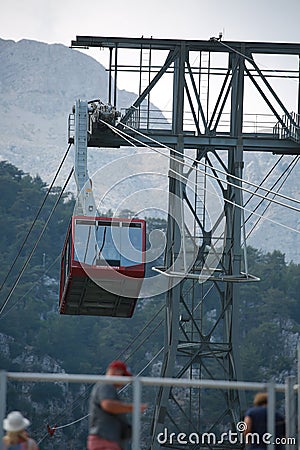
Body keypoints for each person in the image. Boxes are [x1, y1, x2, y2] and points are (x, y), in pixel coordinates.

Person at [87, 360, 147, 450]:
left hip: (108, 440)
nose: (124, 381)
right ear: (114, 371)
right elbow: (108, 405)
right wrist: (132, 407)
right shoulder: (106, 385)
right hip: (105, 440)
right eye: (123, 376)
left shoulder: (105, 386)